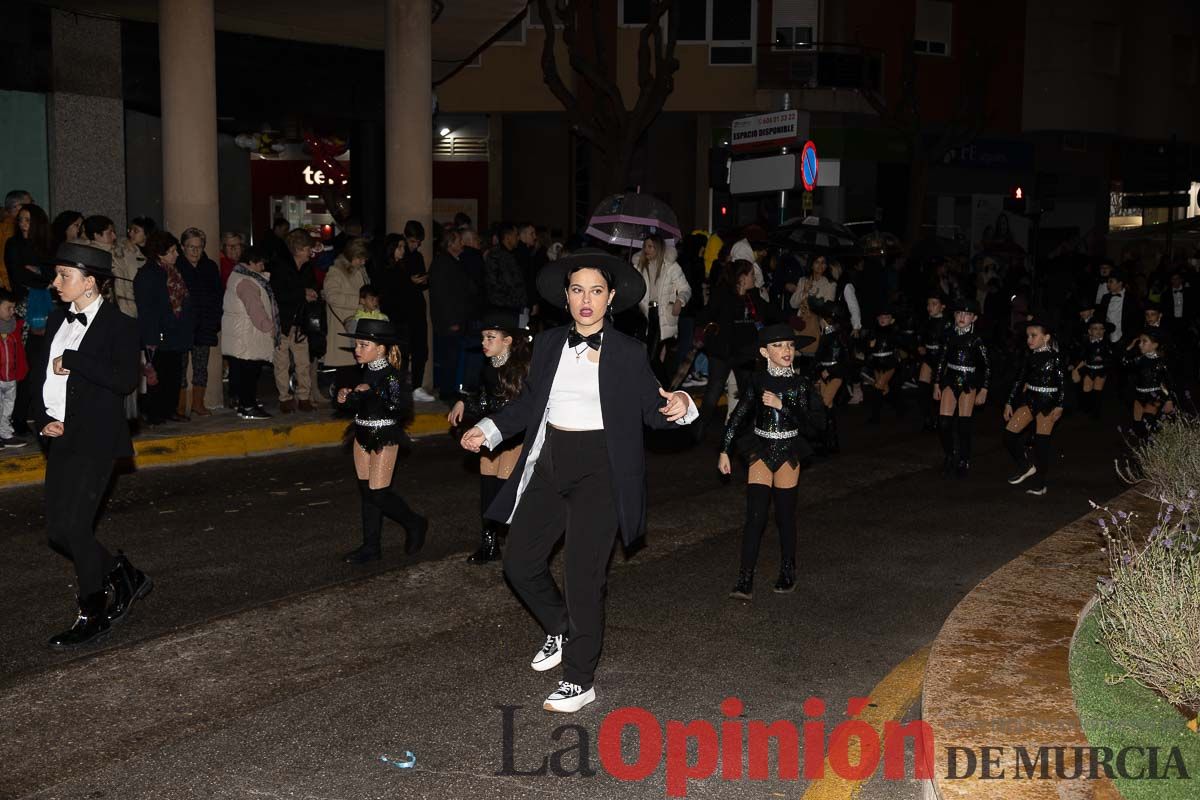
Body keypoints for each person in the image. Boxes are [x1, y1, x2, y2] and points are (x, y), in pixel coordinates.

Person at [458, 247, 697, 713]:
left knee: (583, 578)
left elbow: (655, 410)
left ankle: (580, 679)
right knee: (519, 564)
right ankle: (561, 628)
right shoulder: (547, 344)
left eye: (596, 291)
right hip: (550, 461)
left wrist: (683, 405)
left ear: (610, 299)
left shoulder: (628, 353)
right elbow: (529, 406)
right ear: (565, 297)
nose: (586, 300)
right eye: (577, 290)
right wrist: (487, 429)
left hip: (601, 468)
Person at [30, 243, 150, 648]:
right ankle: (123, 573)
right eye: (57, 275)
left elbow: (124, 381)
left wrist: (76, 359)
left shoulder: (120, 324)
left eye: (65, 276)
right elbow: (39, 377)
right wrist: (43, 419)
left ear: (90, 283)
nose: (56, 283)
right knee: (59, 532)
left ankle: (92, 611)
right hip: (61, 438)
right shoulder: (59, 317)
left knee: (76, 528)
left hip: (97, 440)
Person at [719, 324, 822, 600]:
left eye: (789, 345)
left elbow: (815, 428)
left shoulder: (801, 385)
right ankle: (745, 578)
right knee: (755, 517)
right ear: (765, 352)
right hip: (761, 449)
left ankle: (788, 571)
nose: (786, 350)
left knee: (785, 517)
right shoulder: (756, 381)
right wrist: (724, 450)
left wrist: (783, 405)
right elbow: (738, 416)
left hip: (789, 450)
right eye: (778, 346)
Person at [335, 318, 428, 564]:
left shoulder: (392, 376)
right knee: (367, 494)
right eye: (357, 344)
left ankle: (415, 523)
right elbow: (360, 404)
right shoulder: (366, 370)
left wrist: (371, 393)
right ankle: (371, 547)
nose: (357, 349)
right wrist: (346, 396)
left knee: (378, 494)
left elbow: (398, 408)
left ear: (381, 349)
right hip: (361, 433)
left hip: (384, 435)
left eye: (364, 345)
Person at [447, 311, 531, 564]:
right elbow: (480, 396)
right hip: (489, 435)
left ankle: (521, 545)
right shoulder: (487, 367)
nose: (484, 342)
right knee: (488, 491)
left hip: (512, 437)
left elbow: (513, 407)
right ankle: (489, 544)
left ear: (507, 340)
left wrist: (477, 403)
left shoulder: (520, 369)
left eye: (490, 337)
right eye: (483, 337)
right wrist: (463, 401)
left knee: (508, 493)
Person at [696, 260, 777, 432]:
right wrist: (701, 332)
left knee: (748, 394)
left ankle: (747, 432)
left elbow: (770, 312)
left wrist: (790, 319)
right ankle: (697, 431)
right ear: (742, 277)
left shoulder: (753, 296)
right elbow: (706, 315)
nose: (755, 278)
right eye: (752, 275)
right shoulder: (722, 294)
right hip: (722, 352)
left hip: (744, 353)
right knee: (713, 392)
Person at [134, 231, 195, 425]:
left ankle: (170, 409)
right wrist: (151, 337)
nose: (176, 254)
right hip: (159, 332)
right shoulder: (148, 274)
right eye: (172, 251)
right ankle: (155, 413)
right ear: (160, 253)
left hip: (176, 331)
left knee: (174, 373)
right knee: (157, 375)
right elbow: (147, 309)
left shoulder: (173, 271)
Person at [1004, 318, 1067, 497]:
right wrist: (1009, 401)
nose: (1029, 339)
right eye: (1027, 336)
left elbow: (1063, 383)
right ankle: (1025, 466)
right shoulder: (1029, 357)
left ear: (1046, 337)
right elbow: (1019, 380)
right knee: (1008, 435)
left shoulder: (1056, 358)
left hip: (1048, 403)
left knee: (1041, 444)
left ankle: (1041, 484)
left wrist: (1060, 405)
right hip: (1030, 400)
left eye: (1033, 336)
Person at [5, 203, 53, 436]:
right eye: (20, 219)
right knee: (21, 366)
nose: (23, 223)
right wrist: (41, 277)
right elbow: (19, 275)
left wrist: (41, 275)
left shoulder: (46, 246)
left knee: (42, 366)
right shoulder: (13, 245)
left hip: (47, 309)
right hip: (24, 308)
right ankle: (18, 417)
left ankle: (39, 413)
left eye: (27, 219)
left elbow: (53, 274)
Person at [934, 298, 991, 478]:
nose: (962, 317)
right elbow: (942, 359)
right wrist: (936, 383)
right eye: (959, 313)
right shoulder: (949, 335)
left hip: (968, 381)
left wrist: (984, 389)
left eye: (967, 314)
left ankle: (964, 458)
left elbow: (988, 366)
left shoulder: (977, 340)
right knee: (943, 422)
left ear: (973, 318)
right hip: (950, 379)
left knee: (964, 425)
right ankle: (950, 455)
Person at [222, 246, 278, 420]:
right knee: (249, 372)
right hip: (248, 335)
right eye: (260, 263)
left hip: (241, 334)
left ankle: (244, 403)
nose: (263, 266)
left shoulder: (239, 276)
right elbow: (255, 308)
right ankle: (248, 406)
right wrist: (269, 327)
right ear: (251, 262)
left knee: (241, 371)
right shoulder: (247, 282)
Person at [270, 229, 318, 413]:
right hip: (283, 322)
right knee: (281, 363)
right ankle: (284, 398)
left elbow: (312, 285)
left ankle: (303, 397)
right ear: (298, 249)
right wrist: (302, 293)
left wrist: (312, 292)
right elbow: (278, 294)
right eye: (307, 249)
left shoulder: (306, 268)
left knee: (303, 362)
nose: (310, 252)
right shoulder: (279, 266)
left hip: (301, 322)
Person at [633, 234, 692, 384]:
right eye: (645, 246)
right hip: (643, 315)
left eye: (651, 246)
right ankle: (655, 388)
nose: (647, 249)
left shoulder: (671, 267)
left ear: (658, 248)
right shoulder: (638, 266)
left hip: (661, 315)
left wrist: (680, 301)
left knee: (652, 357)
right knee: (642, 356)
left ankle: (666, 389)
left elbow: (685, 289)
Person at [176, 228, 222, 418]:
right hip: (182, 325)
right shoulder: (176, 266)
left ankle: (198, 403)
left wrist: (214, 320)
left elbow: (217, 295)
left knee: (201, 367)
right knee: (180, 367)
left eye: (199, 247)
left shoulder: (209, 267)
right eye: (191, 247)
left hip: (204, 324)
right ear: (183, 247)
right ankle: (179, 406)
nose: (195, 252)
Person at [430, 229, 475, 400]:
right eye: (458, 241)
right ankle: (447, 391)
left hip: (456, 319)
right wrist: (451, 320)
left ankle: (450, 388)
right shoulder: (443, 263)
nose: (462, 244)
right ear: (450, 244)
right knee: (449, 357)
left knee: (453, 357)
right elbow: (443, 296)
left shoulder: (452, 262)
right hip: (449, 321)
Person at [322, 237, 370, 391]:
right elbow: (332, 296)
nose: (363, 262)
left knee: (356, 371)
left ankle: (353, 405)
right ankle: (344, 405)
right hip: (343, 327)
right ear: (352, 256)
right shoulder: (335, 271)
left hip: (358, 326)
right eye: (360, 258)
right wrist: (359, 301)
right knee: (346, 372)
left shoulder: (360, 271)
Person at [809, 298, 849, 453]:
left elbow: (844, 360)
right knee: (827, 406)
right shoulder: (827, 335)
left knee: (824, 404)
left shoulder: (838, 336)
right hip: (825, 373)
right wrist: (816, 371)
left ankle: (827, 441)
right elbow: (819, 357)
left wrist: (829, 371)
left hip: (835, 374)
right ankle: (830, 442)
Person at [1125, 327, 1176, 439]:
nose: (1140, 344)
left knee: (1148, 422)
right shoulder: (1139, 359)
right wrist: (1129, 348)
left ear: (1155, 345)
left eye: (1144, 341)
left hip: (1154, 396)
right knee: (1138, 426)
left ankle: (1154, 448)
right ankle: (1144, 450)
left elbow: (1167, 382)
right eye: (1140, 341)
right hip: (1139, 396)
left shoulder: (1161, 363)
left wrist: (1168, 400)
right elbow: (1125, 363)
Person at [863, 306, 905, 424]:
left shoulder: (894, 331)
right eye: (881, 317)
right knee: (884, 389)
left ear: (892, 319)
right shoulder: (873, 331)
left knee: (878, 387)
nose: (883, 319)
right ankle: (899, 407)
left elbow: (900, 343)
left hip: (889, 362)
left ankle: (875, 417)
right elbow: (868, 348)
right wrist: (870, 345)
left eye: (886, 317)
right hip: (877, 363)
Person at [917, 293, 952, 431]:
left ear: (942, 307)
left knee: (940, 390)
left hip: (942, 359)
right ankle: (927, 418)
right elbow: (921, 335)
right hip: (929, 357)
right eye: (928, 304)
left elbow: (949, 342)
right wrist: (920, 345)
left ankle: (941, 418)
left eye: (934, 304)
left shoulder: (948, 323)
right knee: (922, 388)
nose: (930, 307)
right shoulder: (927, 321)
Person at [0, 289, 29, 447]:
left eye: (13, 308)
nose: (12, 311)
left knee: (8, 407)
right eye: (8, 308)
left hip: (11, 377)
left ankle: (5, 434)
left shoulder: (16, 326)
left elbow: (19, 350)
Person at [1071, 317, 1116, 418]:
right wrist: (1076, 368)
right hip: (1089, 368)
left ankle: (1096, 412)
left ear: (1104, 331)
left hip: (1101, 369)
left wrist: (1104, 359)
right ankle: (1086, 407)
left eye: (1101, 329)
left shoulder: (1106, 344)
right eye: (1095, 328)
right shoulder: (1085, 343)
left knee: (1097, 389)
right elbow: (1082, 357)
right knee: (1086, 388)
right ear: (1089, 331)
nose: (1098, 331)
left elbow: (1111, 357)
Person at [484, 222, 527, 319]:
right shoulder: (498, 256)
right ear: (508, 237)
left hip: (509, 306)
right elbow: (508, 283)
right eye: (516, 235)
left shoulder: (510, 255)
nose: (518, 238)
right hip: (504, 308)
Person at [0, 189, 33, 291]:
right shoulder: (11, 228)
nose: (33, 208)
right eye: (30, 204)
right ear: (17, 207)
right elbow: (4, 263)